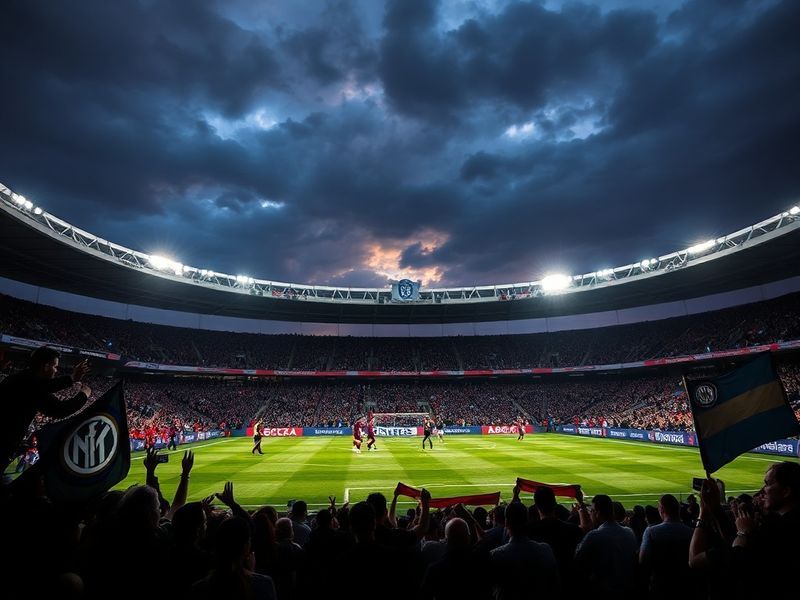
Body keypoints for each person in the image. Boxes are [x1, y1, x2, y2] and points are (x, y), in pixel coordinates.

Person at [0, 347, 90, 476]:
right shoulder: (31, 385)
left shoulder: (19, 379)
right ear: (46, 366)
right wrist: (83, 395)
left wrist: (72, 379)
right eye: (55, 367)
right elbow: (59, 410)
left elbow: (46, 386)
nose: (56, 371)